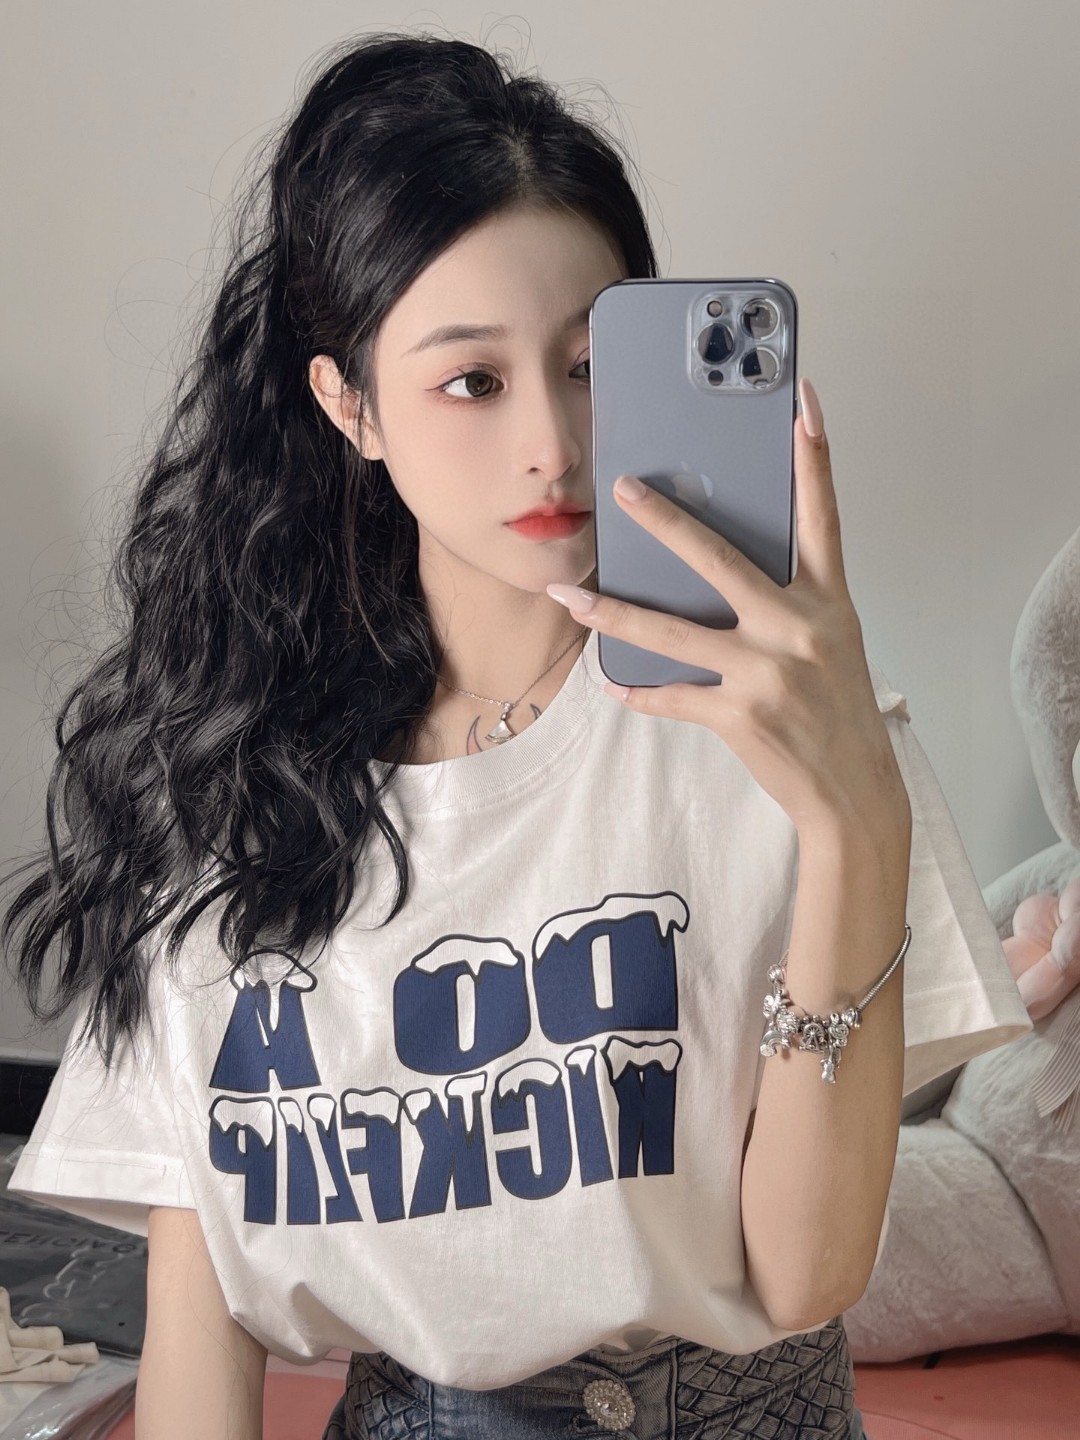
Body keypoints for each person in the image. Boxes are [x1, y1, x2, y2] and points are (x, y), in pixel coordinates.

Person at [1, 30, 1032, 1440]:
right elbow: (204, 1314)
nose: (553, 440)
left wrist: (855, 816)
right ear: (350, 404)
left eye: (593, 364)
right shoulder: (235, 788)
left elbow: (807, 1274)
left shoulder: (790, 732)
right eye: (472, 380)